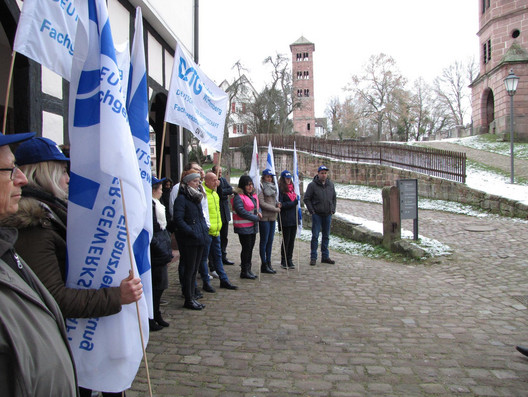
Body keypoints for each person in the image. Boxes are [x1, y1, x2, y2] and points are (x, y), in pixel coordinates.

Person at [0, 131, 78, 396]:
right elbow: (56, 296)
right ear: (45, 173)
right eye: (10, 170)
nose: (19, 178)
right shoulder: (33, 225)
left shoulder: (48, 216)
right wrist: (116, 297)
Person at [173, 170, 209, 310]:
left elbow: (201, 217)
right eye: (195, 181)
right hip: (189, 240)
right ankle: (188, 298)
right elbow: (178, 219)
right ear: (188, 182)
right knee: (189, 270)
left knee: (194, 270)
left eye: (199, 180)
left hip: (199, 237)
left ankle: (192, 296)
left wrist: (203, 230)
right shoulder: (182, 199)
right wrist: (191, 231)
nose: (198, 183)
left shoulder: (196, 197)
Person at [201, 172, 238, 290]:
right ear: (206, 181)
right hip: (207, 231)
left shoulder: (215, 194)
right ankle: (206, 282)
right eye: (214, 180)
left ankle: (224, 279)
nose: (216, 183)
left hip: (216, 231)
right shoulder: (203, 195)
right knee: (204, 258)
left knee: (218, 256)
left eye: (217, 180)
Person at [150, 176, 173, 331]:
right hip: (156, 251)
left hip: (162, 246)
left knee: (160, 285)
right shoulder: (149, 206)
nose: (162, 191)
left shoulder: (157, 203)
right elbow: (151, 230)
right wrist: (160, 247)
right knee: (156, 285)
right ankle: (152, 316)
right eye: (159, 189)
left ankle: (156, 314)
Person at [303, 165, 337, 266]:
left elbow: (334, 198)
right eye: (322, 173)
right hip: (317, 214)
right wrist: (312, 211)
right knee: (315, 236)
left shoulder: (330, 185)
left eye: (325, 173)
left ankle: (325, 256)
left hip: (327, 214)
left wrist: (333, 209)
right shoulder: (312, 185)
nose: (324, 175)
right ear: (318, 174)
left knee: (326, 236)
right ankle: (313, 257)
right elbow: (306, 198)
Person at [232, 175, 261, 279]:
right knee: (246, 248)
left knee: (250, 249)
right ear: (243, 185)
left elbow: (256, 207)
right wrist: (254, 217)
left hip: (252, 226)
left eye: (251, 184)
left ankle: (248, 269)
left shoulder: (252, 196)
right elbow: (241, 211)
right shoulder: (238, 197)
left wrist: (259, 213)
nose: (250, 187)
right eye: (248, 185)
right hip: (243, 227)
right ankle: (244, 270)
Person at [258, 169, 280, 274]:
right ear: (264, 177)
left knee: (270, 241)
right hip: (264, 218)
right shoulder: (261, 187)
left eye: (271, 177)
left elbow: (274, 200)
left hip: (272, 218)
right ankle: (264, 263)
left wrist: (277, 204)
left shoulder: (274, 187)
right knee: (264, 241)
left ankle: (269, 261)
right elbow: (262, 203)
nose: (269, 179)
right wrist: (275, 209)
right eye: (268, 177)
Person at [212, 164, 234, 265]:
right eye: (218, 172)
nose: (220, 174)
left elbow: (230, 189)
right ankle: (215, 258)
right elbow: (219, 193)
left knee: (224, 237)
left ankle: (223, 255)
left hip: (225, 213)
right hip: (217, 213)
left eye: (221, 172)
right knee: (217, 238)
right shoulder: (213, 182)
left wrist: (224, 192)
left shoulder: (224, 180)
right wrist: (224, 192)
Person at [278, 170, 299, 270]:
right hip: (285, 218)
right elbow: (281, 204)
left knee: (291, 240)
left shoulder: (293, 189)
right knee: (286, 240)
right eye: (286, 178)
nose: (288, 180)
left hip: (293, 218)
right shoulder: (281, 190)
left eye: (289, 178)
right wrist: (293, 203)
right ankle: (284, 259)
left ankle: (290, 259)